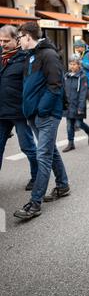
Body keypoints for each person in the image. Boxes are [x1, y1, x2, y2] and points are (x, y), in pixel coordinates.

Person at [14, 22, 70, 220]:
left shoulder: (49, 55)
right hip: (34, 115)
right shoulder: (30, 55)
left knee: (43, 156)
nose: (18, 40)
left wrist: (42, 111)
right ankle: (62, 185)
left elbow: (55, 85)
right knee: (50, 151)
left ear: (28, 36)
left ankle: (35, 203)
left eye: (19, 37)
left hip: (45, 115)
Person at [0, 25, 38, 191]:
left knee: (27, 147)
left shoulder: (25, 58)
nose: (2, 44)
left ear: (16, 39)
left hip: (19, 111)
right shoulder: (1, 57)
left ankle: (37, 177)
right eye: (0, 40)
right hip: (1, 111)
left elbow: (31, 84)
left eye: (6, 41)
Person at [62, 56, 89, 152]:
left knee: (78, 123)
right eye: (70, 64)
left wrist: (80, 107)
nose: (72, 66)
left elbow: (83, 93)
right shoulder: (66, 76)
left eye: (74, 64)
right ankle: (71, 143)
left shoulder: (82, 77)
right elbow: (63, 91)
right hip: (68, 105)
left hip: (78, 105)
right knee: (69, 124)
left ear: (79, 65)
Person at [73, 39, 89, 128]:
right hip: (82, 83)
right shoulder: (80, 55)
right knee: (80, 104)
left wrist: (82, 63)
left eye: (77, 48)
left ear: (82, 47)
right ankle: (78, 123)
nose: (76, 50)